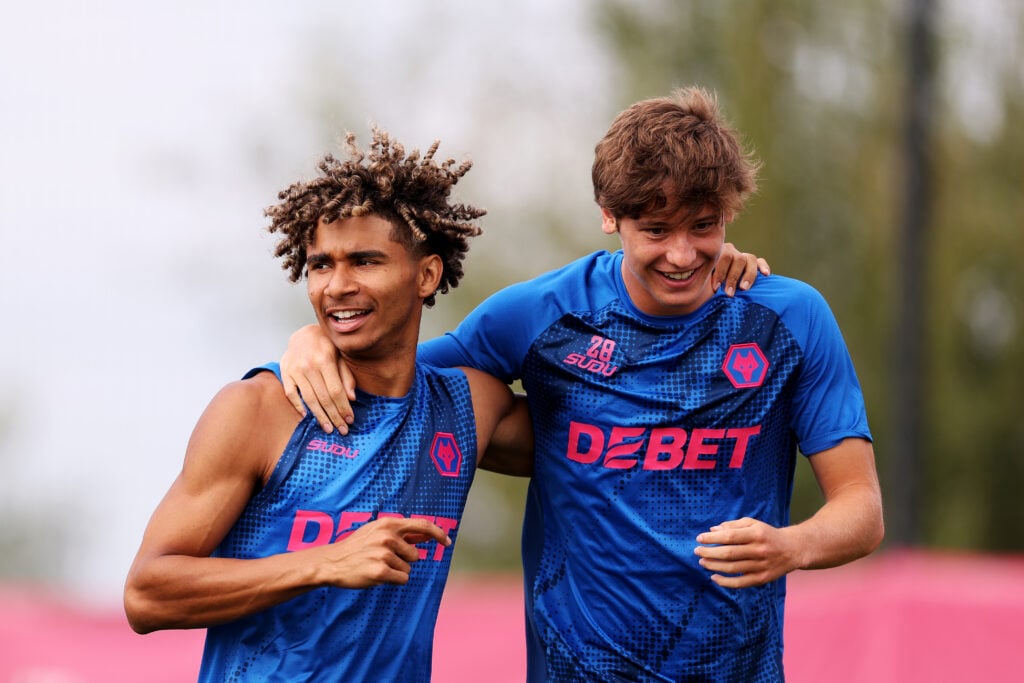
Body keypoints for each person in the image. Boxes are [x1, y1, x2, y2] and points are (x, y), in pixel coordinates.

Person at [281, 87, 884, 682]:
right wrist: (314, 342)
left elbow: (862, 509)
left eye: (704, 226)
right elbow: (397, 377)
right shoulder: (541, 314)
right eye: (655, 229)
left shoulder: (789, 318)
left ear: (730, 212)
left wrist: (792, 546)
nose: (681, 254)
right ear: (608, 215)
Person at [123, 128, 533, 682]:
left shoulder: (468, 410)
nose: (336, 285)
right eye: (320, 264)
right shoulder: (260, 409)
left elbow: (609, 442)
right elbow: (147, 594)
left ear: (427, 275)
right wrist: (323, 562)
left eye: (365, 261)